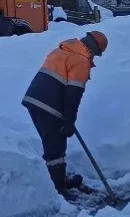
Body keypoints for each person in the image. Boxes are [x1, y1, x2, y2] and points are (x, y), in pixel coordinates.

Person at [22, 31, 108, 200]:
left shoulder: (61, 51)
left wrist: (67, 118)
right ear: (94, 50)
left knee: (52, 142)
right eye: (96, 54)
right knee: (55, 145)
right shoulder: (81, 61)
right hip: (48, 105)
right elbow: (73, 95)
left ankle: (59, 181)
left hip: (34, 100)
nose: (95, 58)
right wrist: (69, 120)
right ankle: (59, 189)